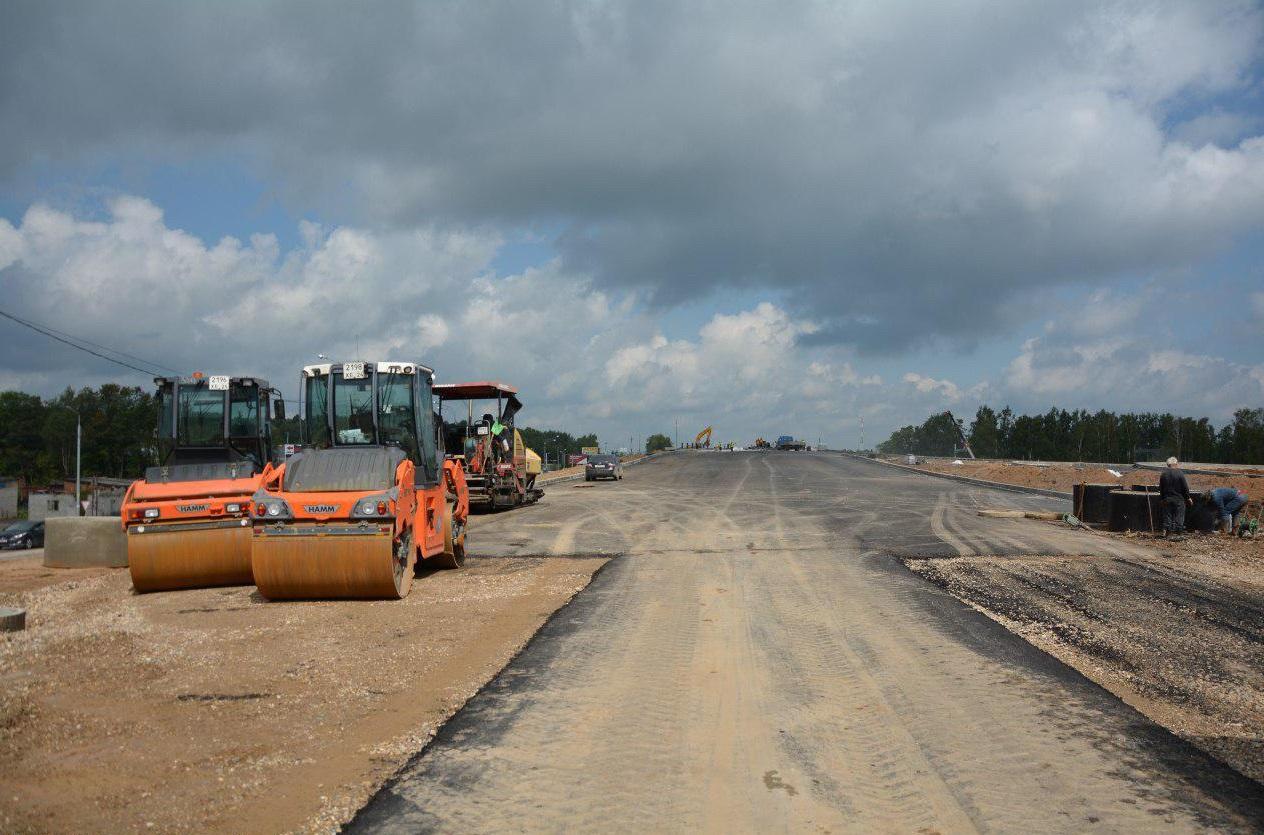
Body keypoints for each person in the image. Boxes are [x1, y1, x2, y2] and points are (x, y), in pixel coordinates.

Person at [1158, 456, 1192, 540]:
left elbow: (1161, 488)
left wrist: (1162, 499)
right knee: (1179, 516)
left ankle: (1168, 534)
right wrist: (1188, 498)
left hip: (1167, 498)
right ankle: (1178, 534)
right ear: (1176, 464)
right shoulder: (1180, 473)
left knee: (1168, 516)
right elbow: (1185, 487)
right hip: (1178, 499)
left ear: (1168, 465)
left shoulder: (1163, 474)